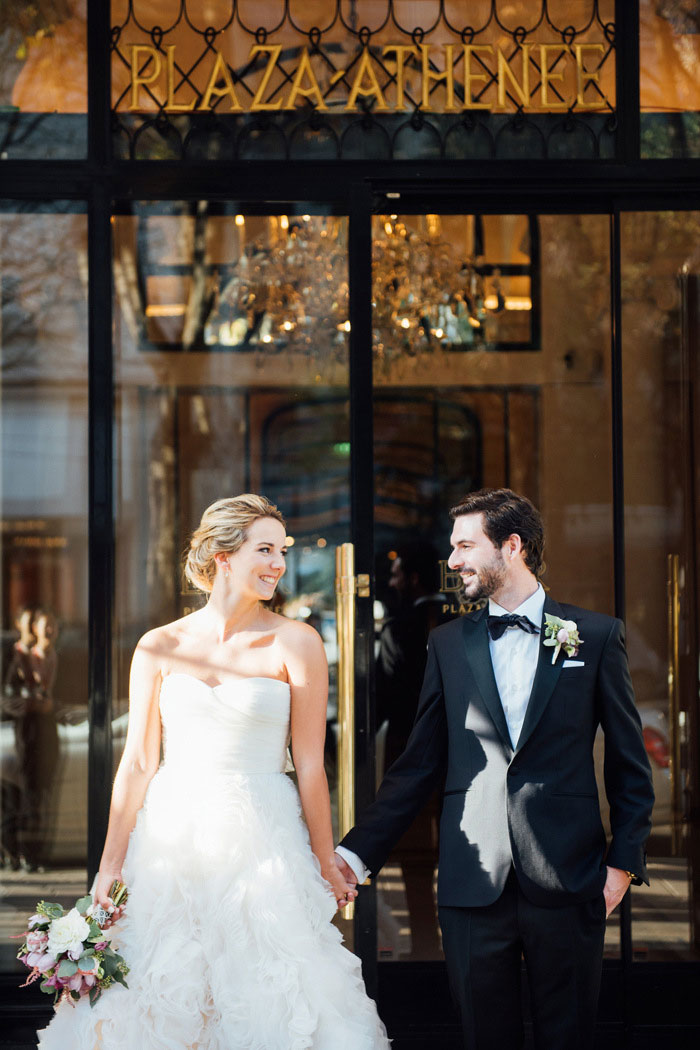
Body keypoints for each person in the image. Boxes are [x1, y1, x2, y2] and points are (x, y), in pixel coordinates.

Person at [38, 494, 389, 1050]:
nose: (279, 563)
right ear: (224, 556)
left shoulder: (296, 642)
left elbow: (311, 767)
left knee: (266, 984)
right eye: (265, 550)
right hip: (171, 839)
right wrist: (110, 865)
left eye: (283, 551)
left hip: (262, 838)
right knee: (166, 982)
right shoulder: (160, 645)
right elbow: (137, 763)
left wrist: (325, 857)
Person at [337, 488, 654, 1050]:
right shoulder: (447, 644)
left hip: (569, 877)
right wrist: (355, 854)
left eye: (465, 545)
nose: (453, 561)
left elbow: (630, 767)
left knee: (569, 1038)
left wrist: (623, 865)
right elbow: (418, 766)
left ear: (512, 546)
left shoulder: (596, 636)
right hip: (471, 881)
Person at [375, 541, 451, 957]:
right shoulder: (465, 621)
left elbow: (380, 699)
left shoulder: (399, 627)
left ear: (415, 578)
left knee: (416, 855)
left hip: (411, 755)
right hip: (465, 757)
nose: (392, 581)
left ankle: (426, 943)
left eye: (398, 573)